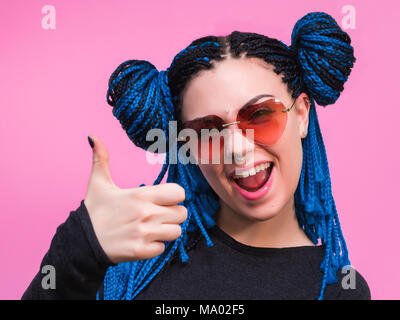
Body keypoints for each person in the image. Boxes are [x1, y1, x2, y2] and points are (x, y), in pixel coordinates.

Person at [22, 11, 371, 300]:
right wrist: (79, 248)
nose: (236, 148)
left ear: (301, 115)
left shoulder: (338, 291)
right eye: (208, 131)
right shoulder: (135, 263)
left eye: (261, 115)